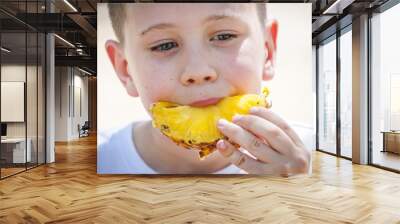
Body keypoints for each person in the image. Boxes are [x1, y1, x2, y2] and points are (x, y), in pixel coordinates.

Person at [98, 3, 311, 175]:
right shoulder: (102, 158)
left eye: (224, 36)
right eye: (164, 45)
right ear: (125, 69)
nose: (198, 71)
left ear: (267, 51)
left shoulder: (309, 156)